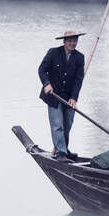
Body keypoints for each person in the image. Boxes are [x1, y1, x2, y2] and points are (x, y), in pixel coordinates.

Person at [38, 30, 86, 159]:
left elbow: (78, 80)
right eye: (70, 41)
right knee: (57, 124)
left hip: (69, 98)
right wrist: (46, 84)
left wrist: (74, 98)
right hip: (53, 96)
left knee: (67, 124)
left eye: (75, 41)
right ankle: (61, 152)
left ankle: (64, 148)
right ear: (64, 42)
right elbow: (42, 70)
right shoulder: (53, 53)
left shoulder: (80, 57)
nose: (72, 43)